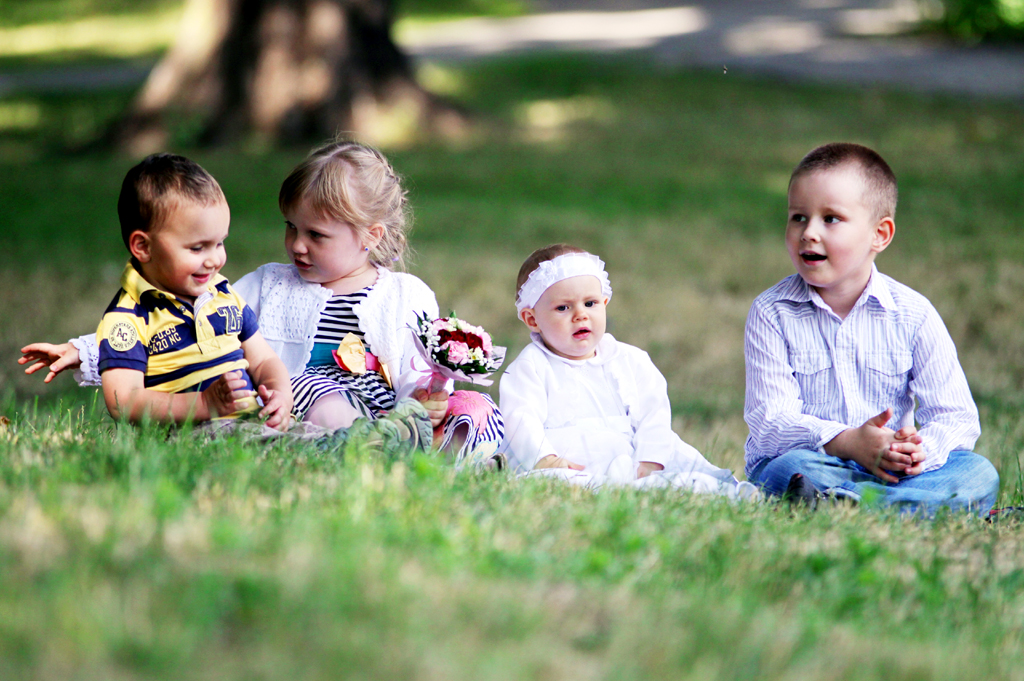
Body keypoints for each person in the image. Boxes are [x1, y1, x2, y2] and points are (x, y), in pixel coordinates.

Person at [20, 141, 501, 464]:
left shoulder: (405, 294)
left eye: (316, 234)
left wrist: (428, 397)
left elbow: (424, 360)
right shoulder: (270, 285)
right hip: (306, 407)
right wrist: (83, 351)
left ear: (369, 237)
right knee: (325, 400)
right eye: (291, 227)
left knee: (472, 407)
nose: (297, 245)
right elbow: (183, 317)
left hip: (393, 411)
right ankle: (365, 458)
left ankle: (443, 459)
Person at [744, 142, 999, 515]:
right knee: (783, 471)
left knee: (979, 474)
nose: (809, 232)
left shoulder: (913, 315)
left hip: (893, 471)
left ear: (880, 234)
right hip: (818, 464)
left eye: (830, 219)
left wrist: (915, 451)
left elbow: (956, 417)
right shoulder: (772, 312)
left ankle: (845, 506)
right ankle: (909, 509)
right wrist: (847, 442)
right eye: (798, 216)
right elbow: (771, 422)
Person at [499, 244, 757, 498]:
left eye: (590, 303)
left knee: (681, 470)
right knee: (553, 482)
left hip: (633, 456)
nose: (581, 315)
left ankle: (726, 493)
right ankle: (602, 489)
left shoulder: (630, 360)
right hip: (569, 461)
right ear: (532, 319)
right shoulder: (530, 367)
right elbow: (521, 420)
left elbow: (653, 414)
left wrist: (650, 458)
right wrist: (545, 459)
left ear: (605, 302)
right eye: (563, 308)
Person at [87, 153, 293, 427]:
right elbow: (123, 400)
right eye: (197, 248)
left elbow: (263, 358)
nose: (214, 260)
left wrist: (280, 393)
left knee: (326, 440)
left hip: (252, 421)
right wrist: (204, 404)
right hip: (191, 431)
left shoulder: (222, 293)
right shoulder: (128, 317)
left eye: (219, 243)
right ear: (143, 247)